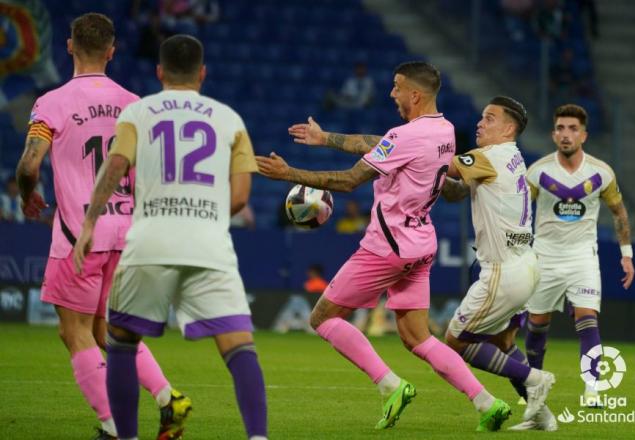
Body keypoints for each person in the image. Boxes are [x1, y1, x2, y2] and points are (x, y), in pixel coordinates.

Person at [258, 61, 512, 432]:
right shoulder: (444, 131)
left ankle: (391, 385)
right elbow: (382, 145)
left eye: (396, 87)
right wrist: (324, 136)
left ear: (415, 94)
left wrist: (289, 173)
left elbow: (346, 182)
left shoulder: (407, 136)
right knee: (418, 338)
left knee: (323, 318)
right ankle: (487, 402)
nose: (391, 93)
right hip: (421, 244)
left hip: (386, 247)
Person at [73, 34, 268, 440]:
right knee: (239, 348)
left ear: (159, 72)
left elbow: (114, 168)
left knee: (122, 341)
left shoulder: (138, 114)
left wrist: (89, 223)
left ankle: (126, 436)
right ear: (202, 73)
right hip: (209, 247)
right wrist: (208, 216)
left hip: (149, 242)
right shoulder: (230, 119)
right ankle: (258, 438)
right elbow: (241, 196)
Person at [15, 13, 184, 440]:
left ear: (69, 46)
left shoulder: (51, 102)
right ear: (112, 51)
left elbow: (30, 164)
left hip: (80, 234)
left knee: (72, 331)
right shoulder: (133, 103)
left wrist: (25, 194)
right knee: (108, 330)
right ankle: (167, 398)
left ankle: (113, 428)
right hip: (125, 232)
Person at [440, 96, 556, 428]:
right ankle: (542, 416)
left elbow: (444, 168)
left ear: (508, 128)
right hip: (528, 266)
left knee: (456, 341)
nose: (480, 123)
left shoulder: (488, 156)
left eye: (489, 119)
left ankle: (533, 379)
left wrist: (395, 150)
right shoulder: (514, 157)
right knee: (502, 342)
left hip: (503, 271)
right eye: (481, 117)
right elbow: (455, 188)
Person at [520, 104, 635, 426]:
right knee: (537, 325)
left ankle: (593, 388)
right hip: (544, 256)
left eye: (572, 128)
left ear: (583, 134)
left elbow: (620, 213)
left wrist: (627, 255)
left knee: (587, 319)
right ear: (553, 134)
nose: (566, 134)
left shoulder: (601, 172)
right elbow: (518, 213)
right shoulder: (537, 172)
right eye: (560, 128)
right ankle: (533, 387)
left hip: (583, 257)